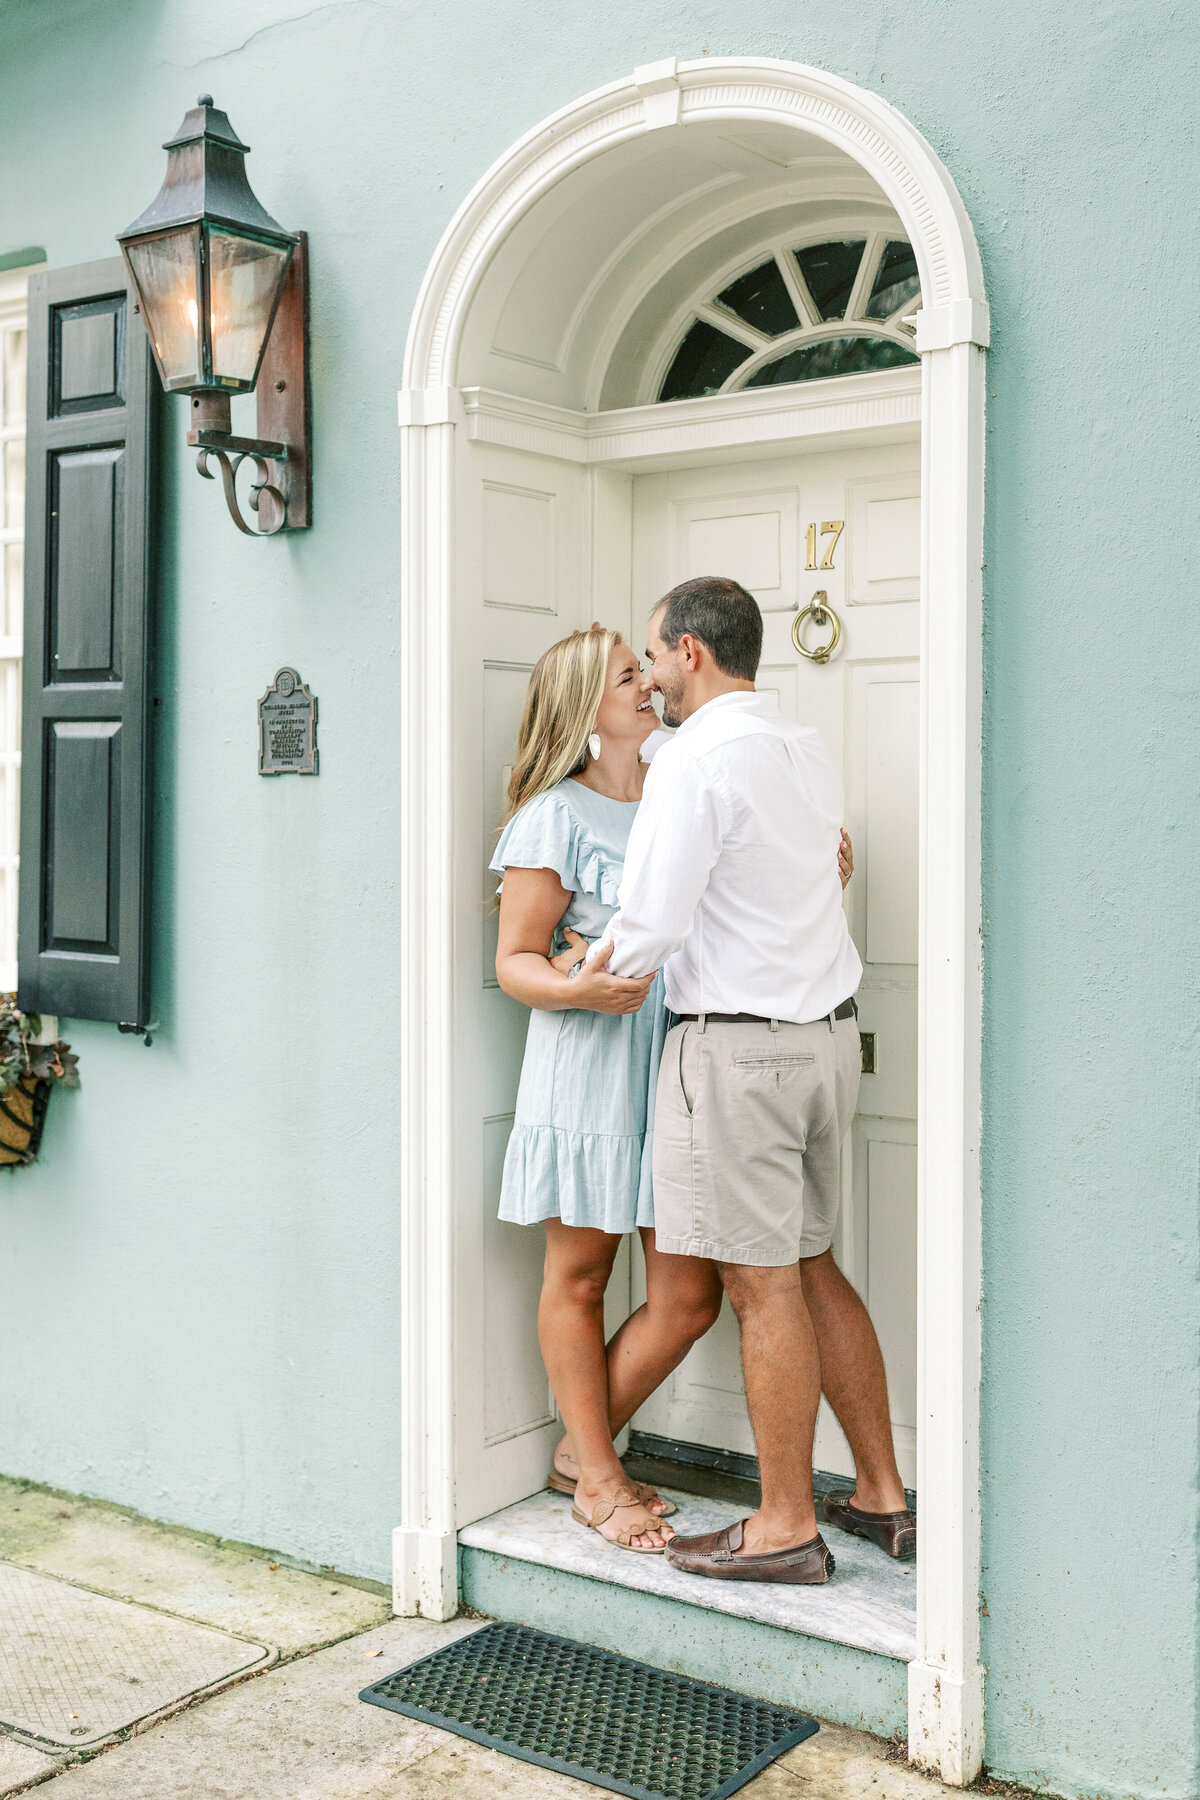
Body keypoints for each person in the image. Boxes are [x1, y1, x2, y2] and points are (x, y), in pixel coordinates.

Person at [491, 625, 853, 1558]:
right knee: (576, 1276)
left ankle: (578, 1450)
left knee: (687, 1296)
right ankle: (598, 1479)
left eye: (647, 669)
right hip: (590, 1062)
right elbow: (515, 964)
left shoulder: (682, 782)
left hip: (686, 1061)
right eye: (628, 677)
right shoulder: (553, 816)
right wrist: (579, 986)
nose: (648, 686)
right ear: (586, 705)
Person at [591, 576, 915, 1585]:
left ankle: (781, 1526)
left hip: (739, 1053)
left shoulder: (697, 760)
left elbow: (648, 922)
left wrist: (575, 971)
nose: (647, 679)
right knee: (814, 1267)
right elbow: (819, 869)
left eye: (652, 656)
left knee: (760, 1287)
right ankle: (880, 1498)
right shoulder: (801, 749)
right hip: (825, 1043)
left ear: (691, 651)